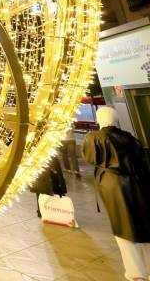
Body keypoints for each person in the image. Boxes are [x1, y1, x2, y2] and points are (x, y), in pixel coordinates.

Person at [82, 107, 150, 281]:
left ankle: (136, 273)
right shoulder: (129, 137)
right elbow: (141, 157)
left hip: (114, 186)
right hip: (137, 183)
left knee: (124, 227)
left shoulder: (94, 138)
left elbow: (89, 158)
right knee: (143, 225)